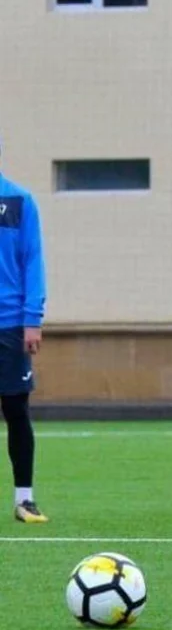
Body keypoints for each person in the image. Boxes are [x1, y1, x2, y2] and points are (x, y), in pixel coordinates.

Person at [0, 135, 47, 523]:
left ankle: (24, 499)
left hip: (11, 324)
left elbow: (33, 261)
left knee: (16, 410)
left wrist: (33, 318)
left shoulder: (19, 201)